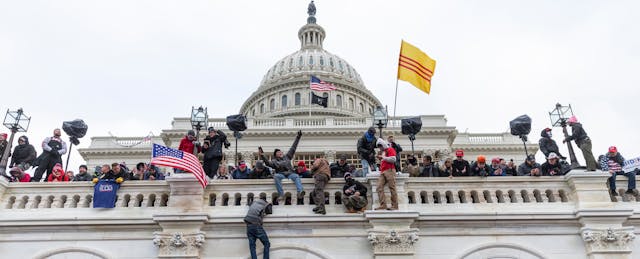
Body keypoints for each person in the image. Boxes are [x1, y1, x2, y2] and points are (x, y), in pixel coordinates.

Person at [259, 130, 304, 202]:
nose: (280, 153)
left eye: (280, 152)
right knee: (276, 176)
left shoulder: (287, 157)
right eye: (278, 152)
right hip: (281, 174)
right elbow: (268, 163)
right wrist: (263, 156)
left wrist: (298, 137)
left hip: (290, 174)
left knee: (296, 176)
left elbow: (293, 147)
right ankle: (281, 194)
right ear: (276, 155)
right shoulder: (274, 161)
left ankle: (300, 191)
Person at [374, 138, 398, 210]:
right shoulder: (384, 152)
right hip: (383, 171)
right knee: (379, 187)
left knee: (392, 187)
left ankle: (395, 205)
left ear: (383, 145)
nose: (380, 148)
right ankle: (383, 205)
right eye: (379, 147)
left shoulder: (390, 149)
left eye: (380, 146)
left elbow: (393, 159)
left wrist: (383, 158)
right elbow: (385, 159)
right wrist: (381, 158)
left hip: (390, 170)